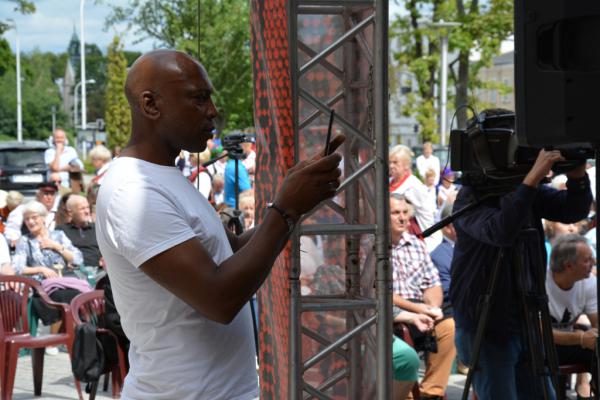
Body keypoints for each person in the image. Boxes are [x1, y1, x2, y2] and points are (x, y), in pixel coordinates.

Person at [95, 49, 344, 400]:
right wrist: (285, 208)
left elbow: (233, 250)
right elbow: (218, 298)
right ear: (151, 105)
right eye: (199, 98)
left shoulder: (165, 177)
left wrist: (297, 201)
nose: (212, 110)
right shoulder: (133, 191)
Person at [450, 111, 593, 399]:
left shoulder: (526, 193)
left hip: (527, 319)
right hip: (488, 324)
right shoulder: (471, 198)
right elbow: (501, 231)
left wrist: (577, 174)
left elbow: (573, 210)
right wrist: (532, 179)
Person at [390, 193, 456, 399]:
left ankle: (431, 392)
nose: (402, 218)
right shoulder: (374, 246)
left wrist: (433, 308)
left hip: (421, 306)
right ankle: (406, 393)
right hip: (393, 310)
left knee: (449, 327)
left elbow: (433, 284)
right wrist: (419, 310)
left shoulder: (416, 244)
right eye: (395, 213)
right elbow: (383, 293)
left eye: (404, 213)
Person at [13, 201, 85, 354]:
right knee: (65, 295)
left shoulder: (58, 235)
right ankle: (58, 340)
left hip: (64, 281)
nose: (30, 222)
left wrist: (56, 246)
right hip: (42, 286)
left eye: (34, 217)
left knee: (79, 295)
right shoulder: (25, 241)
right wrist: (40, 269)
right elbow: (17, 267)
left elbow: (78, 259)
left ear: (44, 218)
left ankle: (76, 338)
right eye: (27, 219)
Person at [547, 234, 597, 399]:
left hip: (568, 341)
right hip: (539, 347)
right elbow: (539, 332)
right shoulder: (540, 282)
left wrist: (589, 337)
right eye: (587, 260)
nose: (593, 263)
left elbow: (597, 324)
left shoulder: (589, 282)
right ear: (569, 266)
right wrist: (581, 338)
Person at [389, 145, 441, 251]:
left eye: (395, 162)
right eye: (390, 162)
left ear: (406, 165)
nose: (391, 166)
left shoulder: (413, 185)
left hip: (412, 235)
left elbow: (426, 212)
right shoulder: (390, 181)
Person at [56, 195, 101, 266]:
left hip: (99, 272)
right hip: (73, 272)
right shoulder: (61, 231)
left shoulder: (97, 228)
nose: (87, 211)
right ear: (70, 212)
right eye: (82, 209)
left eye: (87, 207)